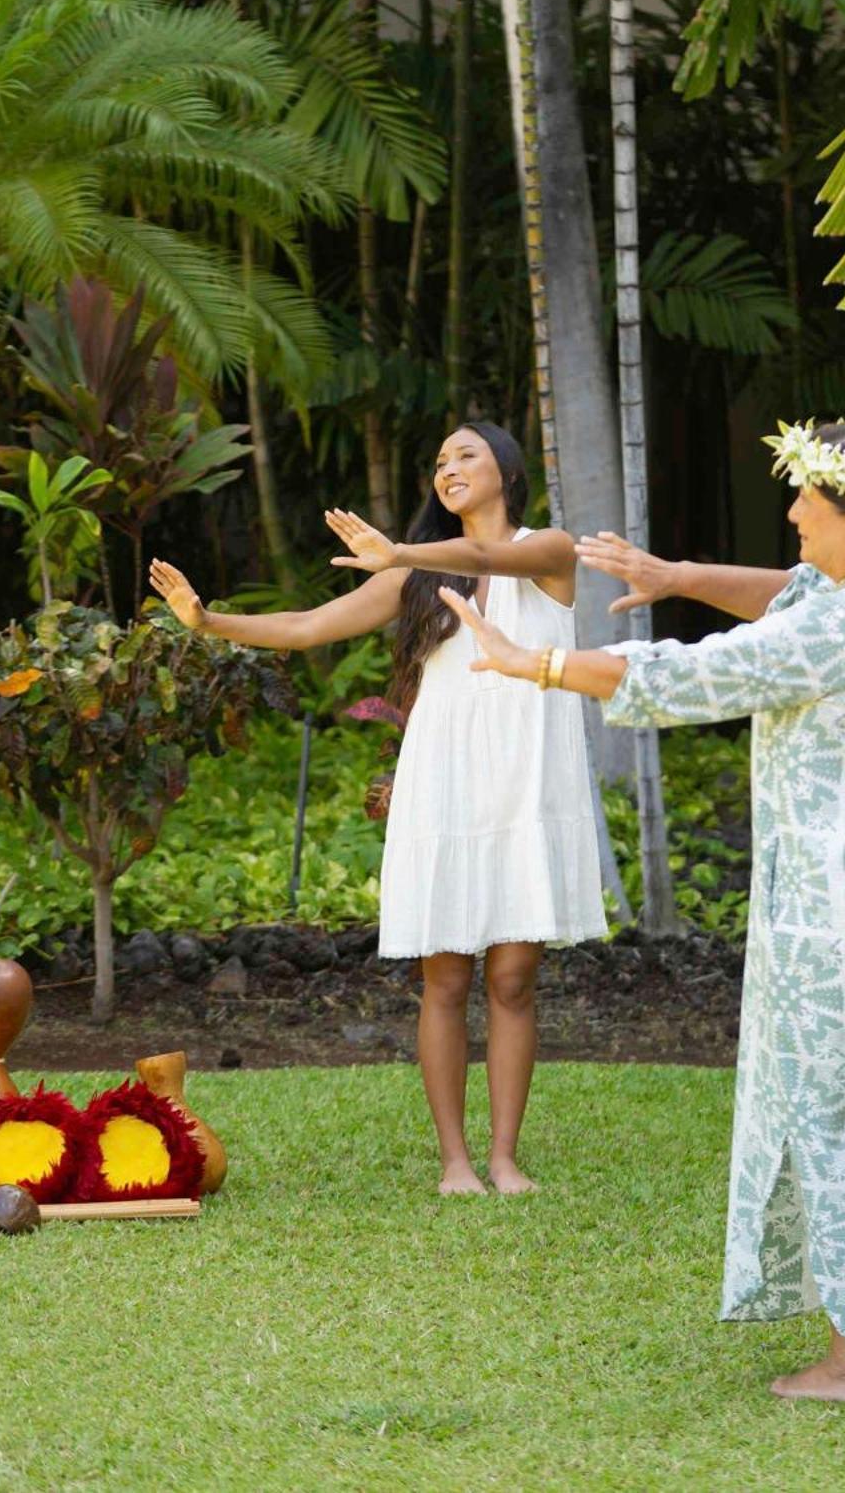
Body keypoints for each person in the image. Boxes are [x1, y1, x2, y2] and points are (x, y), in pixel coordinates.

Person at [439, 417, 845, 1400]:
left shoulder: (835, 629)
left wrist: (531, 663)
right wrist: (675, 576)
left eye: (808, 502)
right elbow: (787, 597)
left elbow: (688, 676)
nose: (790, 513)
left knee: (836, 1119)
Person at [148, 422, 606, 1196]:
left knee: (516, 978)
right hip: (446, 779)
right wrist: (208, 622)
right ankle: (457, 1162)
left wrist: (403, 552)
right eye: (439, 460)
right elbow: (306, 627)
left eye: (465, 453)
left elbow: (492, 556)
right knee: (447, 977)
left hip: (528, 781)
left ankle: (504, 1157)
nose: (448, 468)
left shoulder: (549, 551)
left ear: (508, 470)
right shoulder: (415, 577)